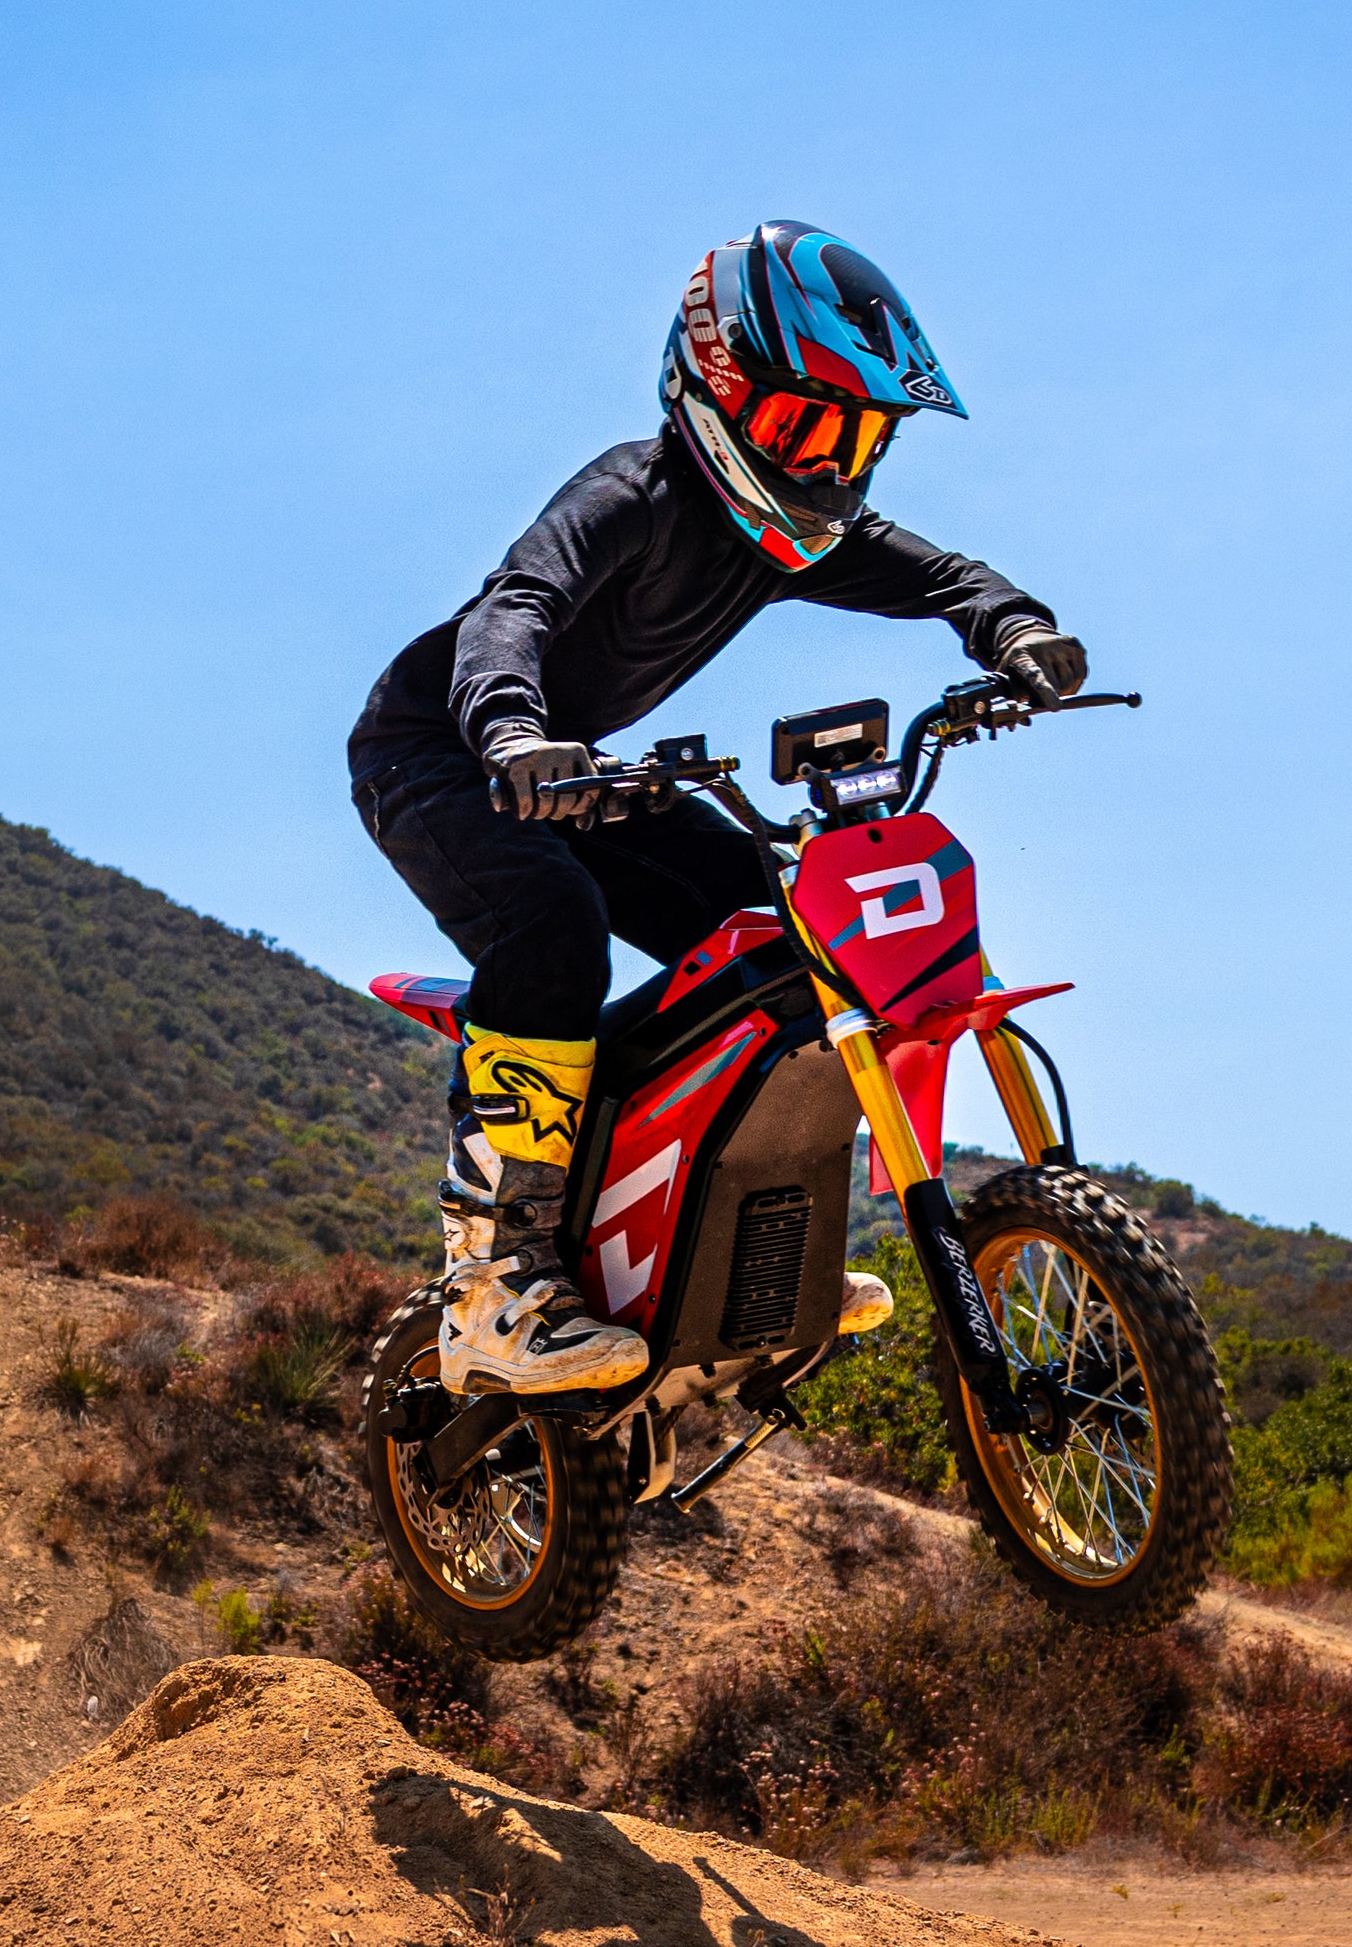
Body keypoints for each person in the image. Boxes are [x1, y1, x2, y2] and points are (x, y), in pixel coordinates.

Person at [348, 219, 1091, 1397]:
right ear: (717, 392)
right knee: (550, 928)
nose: (828, 468)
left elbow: (948, 578)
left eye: (858, 438)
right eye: (805, 428)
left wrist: (1017, 628)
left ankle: (737, 1240)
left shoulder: (799, 537)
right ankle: (495, 1289)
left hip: (572, 769)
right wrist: (512, 731)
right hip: (441, 752)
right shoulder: (632, 494)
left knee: (788, 925)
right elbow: (515, 606)